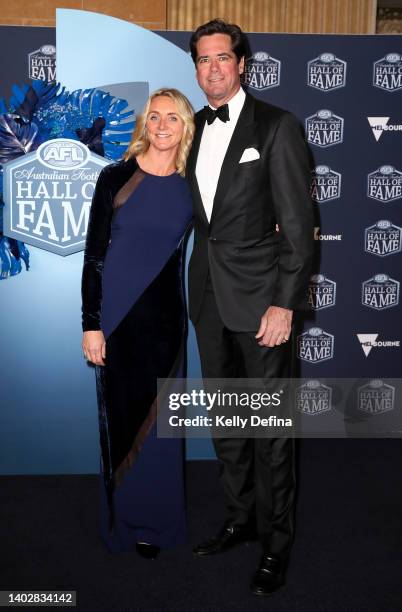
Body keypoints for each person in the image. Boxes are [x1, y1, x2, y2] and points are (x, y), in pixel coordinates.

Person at [186, 19, 314, 595]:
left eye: (222, 58)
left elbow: (301, 229)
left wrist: (284, 305)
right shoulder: (190, 127)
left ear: (242, 64)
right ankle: (239, 518)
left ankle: (276, 543)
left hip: (263, 303)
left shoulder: (277, 125)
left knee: (270, 429)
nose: (212, 68)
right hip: (208, 300)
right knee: (229, 423)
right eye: (203, 60)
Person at [81, 88, 194, 559]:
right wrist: (91, 323)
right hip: (115, 319)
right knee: (122, 422)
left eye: (173, 117)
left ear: (186, 126)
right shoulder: (115, 178)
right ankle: (124, 519)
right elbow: (94, 258)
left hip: (166, 321)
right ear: (144, 125)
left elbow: (231, 228)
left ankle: (158, 522)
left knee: (162, 426)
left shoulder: (195, 186)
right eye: (154, 117)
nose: (163, 125)